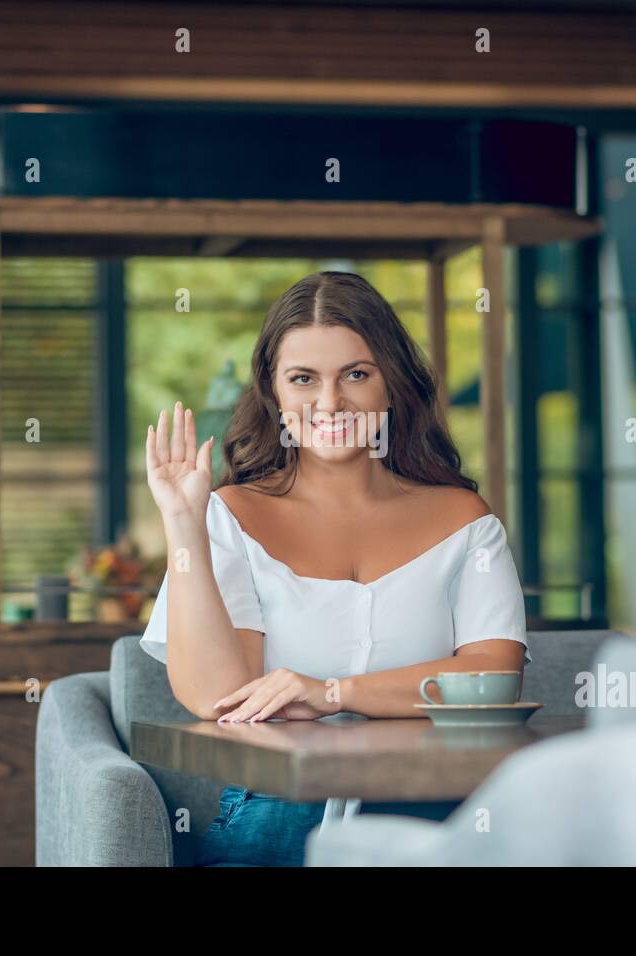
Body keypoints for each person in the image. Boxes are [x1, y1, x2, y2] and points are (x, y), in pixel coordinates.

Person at [139, 270, 530, 866]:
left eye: (356, 374)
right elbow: (217, 696)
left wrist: (331, 693)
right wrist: (185, 523)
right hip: (279, 813)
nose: (330, 403)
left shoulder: (464, 520)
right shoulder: (231, 517)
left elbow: (493, 676)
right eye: (303, 379)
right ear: (273, 394)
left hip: (435, 812)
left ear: (392, 386)